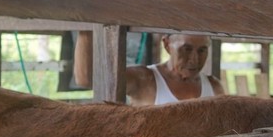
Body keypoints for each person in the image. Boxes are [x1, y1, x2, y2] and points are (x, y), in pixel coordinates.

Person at [74, 31, 224, 105]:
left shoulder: (214, 86)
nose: (194, 59)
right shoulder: (144, 80)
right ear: (166, 45)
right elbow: (87, 79)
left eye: (202, 50)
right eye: (186, 49)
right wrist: (86, 27)